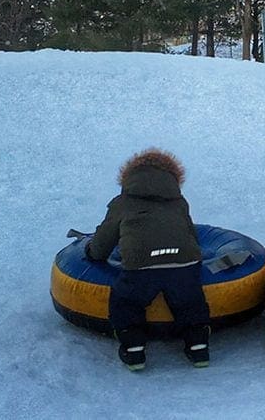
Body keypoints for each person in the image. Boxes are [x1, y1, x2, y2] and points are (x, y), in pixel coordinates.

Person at [84, 148, 210, 371]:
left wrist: (93, 252)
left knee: (126, 302)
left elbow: (104, 240)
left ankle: (133, 349)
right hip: (184, 262)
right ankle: (198, 345)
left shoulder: (122, 203)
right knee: (190, 302)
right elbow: (190, 233)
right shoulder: (179, 201)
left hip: (141, 266)